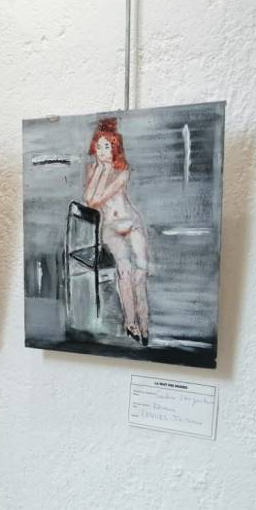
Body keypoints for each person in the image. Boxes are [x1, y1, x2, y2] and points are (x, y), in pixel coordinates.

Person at [82, 118, 150, 345]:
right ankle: (130, 322)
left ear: (115, 148)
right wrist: (100, 170)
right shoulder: (93, 170)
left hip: (132, 224)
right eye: (99, 146)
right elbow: (91, 200)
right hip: (110, 230)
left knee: (141, 273)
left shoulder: (123, 171)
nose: (102, 151)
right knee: (125, 272)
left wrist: (105, 171)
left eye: (107, 146)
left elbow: (104, 194)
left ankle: (144, 323)